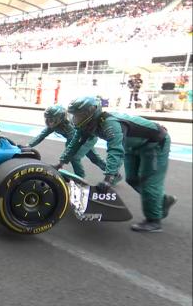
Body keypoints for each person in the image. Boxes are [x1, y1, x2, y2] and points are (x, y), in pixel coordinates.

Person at [57, 96, 176, 232]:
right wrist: (61, 162)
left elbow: (115, 150)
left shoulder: (110, 123)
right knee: (132, 179)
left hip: (154, 144)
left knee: (148, 182)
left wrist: (109, 178)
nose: (76, 119)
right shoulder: (85, 125)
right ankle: (162, 201)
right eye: (75, 115)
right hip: (133, 146)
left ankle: (154, 221)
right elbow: (75, 144)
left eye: (80, 115)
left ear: (92, 111)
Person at [27, 105, 106, 179]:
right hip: (82, 138)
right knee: (94, 158)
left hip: (87, 138)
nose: (48, 122)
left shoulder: (69, 126)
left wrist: (61, 163)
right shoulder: (55, 124)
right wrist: (28, 146)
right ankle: (113, 174)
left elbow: (72, 146)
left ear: (60, 118)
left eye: (51, 120)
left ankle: (80, 178)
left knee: (74, 157)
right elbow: (41, 135)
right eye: (47, 119)